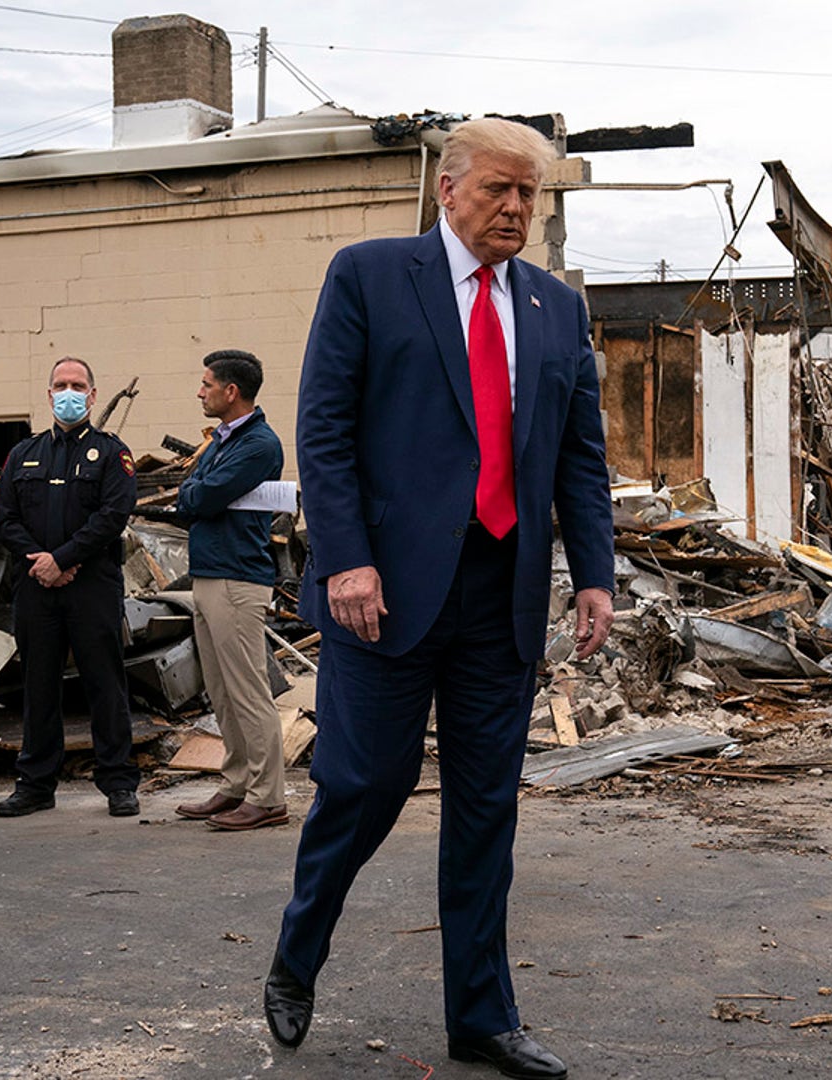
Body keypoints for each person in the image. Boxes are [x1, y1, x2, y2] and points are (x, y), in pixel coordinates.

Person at [265, 117, 615, 1080]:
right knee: (366, 788)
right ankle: (298, 955)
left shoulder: (555, 307)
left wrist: (593, 574)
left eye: (530, 195)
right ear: (447, 189)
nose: (515, 209)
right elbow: (324, 429)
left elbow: (579, 457)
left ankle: (482, 1017)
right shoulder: (371, 276)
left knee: (485, 811)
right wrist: (345, 559)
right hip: (381, 594)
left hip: (499, 595)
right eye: (500, 189)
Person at [0, 357, 141, 817]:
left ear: (93, 396)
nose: (69, 391)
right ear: (49, 393)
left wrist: (64, 558)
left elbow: (114, 515)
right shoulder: (23, 454)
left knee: (105, 684)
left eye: (78, 385)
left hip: (91, 585)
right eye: (61, 384)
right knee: (38, 687)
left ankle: (118, 781)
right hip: (36, 586)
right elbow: (5, 517)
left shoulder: (112, 453)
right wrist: (43, 562)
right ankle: (35, 783)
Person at [172, 350, 288, 832]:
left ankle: (267, 797)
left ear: (231, 391)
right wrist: (195, 491)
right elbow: (192, 492)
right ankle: (238, 782)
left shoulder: (258, 444)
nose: (201, 392)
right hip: (211, 573)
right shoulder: (224, 441)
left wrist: (195, 491)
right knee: (221, 691)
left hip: (238, 580)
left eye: (206, 384)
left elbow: (199, 496)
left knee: (247, 691)